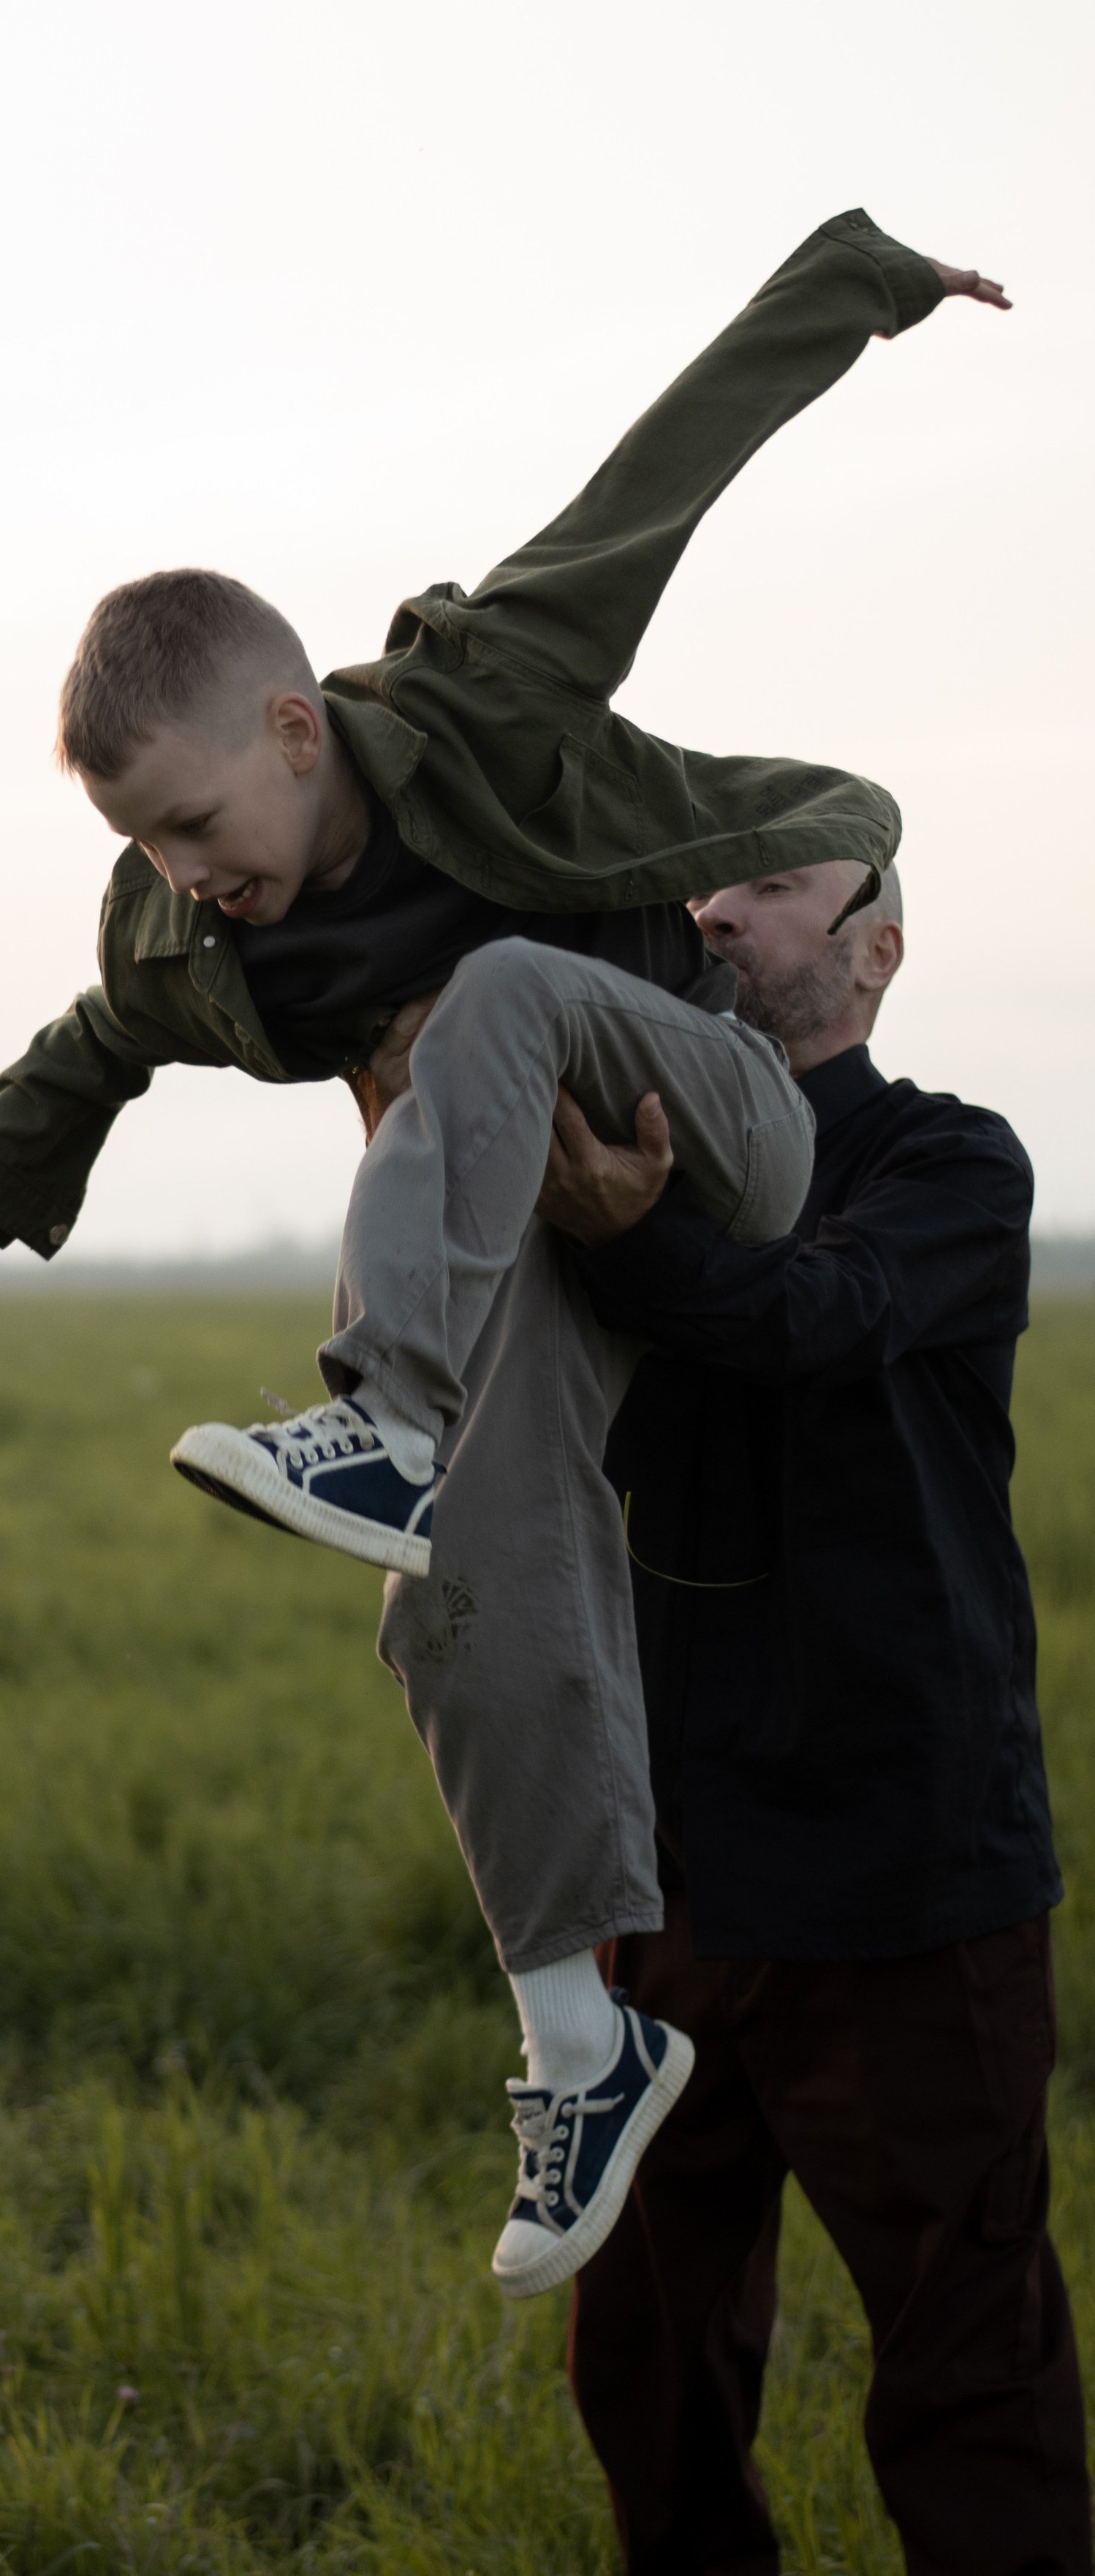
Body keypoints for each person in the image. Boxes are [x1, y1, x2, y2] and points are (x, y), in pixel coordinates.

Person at [0, 212, 1009, 2296]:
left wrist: (869, 282)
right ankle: (578, 2035)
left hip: (720, 1115)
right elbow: (94, 1044)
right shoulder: (201, 941)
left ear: (293, 730)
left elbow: (670, 463)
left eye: (200, 828)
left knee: (505, 995)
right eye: (147, 859)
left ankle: (378, 1414)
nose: (191, 883)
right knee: (460, 1591)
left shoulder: (493, 694)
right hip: (534, 1241)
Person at [534, 861, 1086, 2575]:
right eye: (702, 883)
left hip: (902, 1875)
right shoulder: (624, 1161)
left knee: (963, 2377)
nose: (713, 914)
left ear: (873, 951)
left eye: (766, 886)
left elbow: (811, 1315)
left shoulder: (945, 1158)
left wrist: (635, 1234)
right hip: (669, 1877)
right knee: (645, 2372)